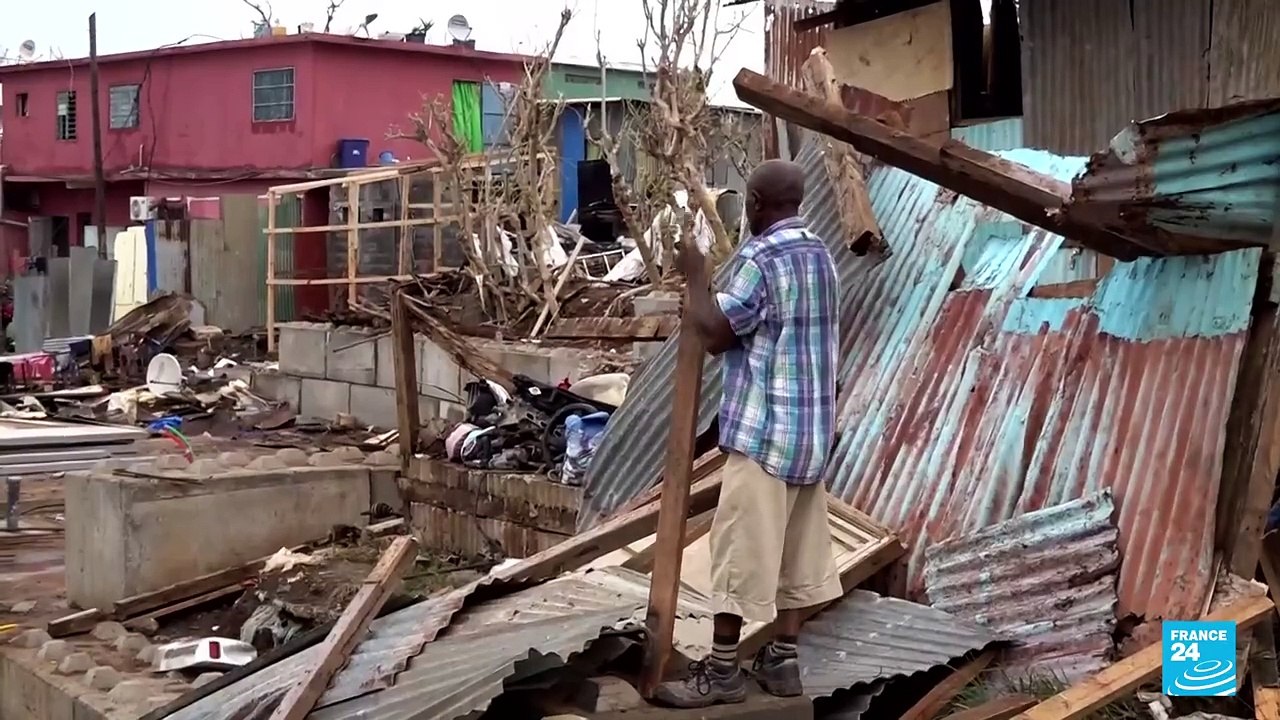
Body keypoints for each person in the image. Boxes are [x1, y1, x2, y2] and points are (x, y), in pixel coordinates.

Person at [652, 159, 842, 708]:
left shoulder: (763, 256)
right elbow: (775, 329)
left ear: (757, 204)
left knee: (740, 552)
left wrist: (694, 274)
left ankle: (723, 670)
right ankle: (782, 663)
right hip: (810, 433)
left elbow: (714, 332)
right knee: (797, 552)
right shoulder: (820, 255)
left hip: (765, 433)